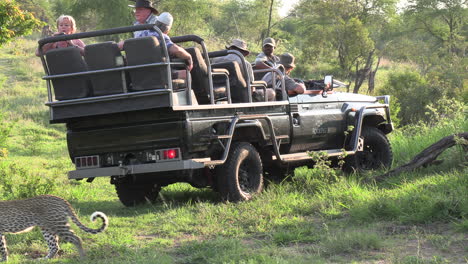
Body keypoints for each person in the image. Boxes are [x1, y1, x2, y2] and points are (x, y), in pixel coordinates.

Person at [119, 1, 193, 71]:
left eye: (140, 9)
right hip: (153, 65)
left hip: (150, 60)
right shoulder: (141, 27)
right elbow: (173, 48)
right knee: (188, 59)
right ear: (168, 28)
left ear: (149, 11)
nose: (136, 12)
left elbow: (162, 43)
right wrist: (188, 56)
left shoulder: (154, 26)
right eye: (136, 9)